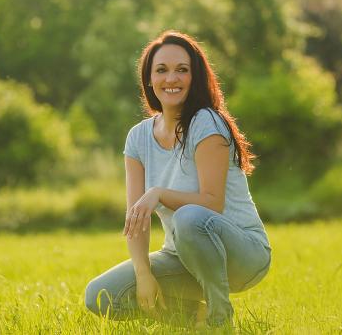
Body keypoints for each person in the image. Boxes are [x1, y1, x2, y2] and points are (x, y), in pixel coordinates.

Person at [84, 30, 271, 327]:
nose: (171, 78)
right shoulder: (138, 138)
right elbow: (136, 220)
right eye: (162, 70)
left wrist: (158, 193)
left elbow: (211, 203)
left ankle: (220, 319)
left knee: (188, 217)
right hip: (183, 257)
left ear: (194, 77)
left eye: (182, 70)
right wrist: (144, 275)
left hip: (243, 254)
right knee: (101, 295)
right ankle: (201, 321)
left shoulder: (206, 122)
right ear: (149, 79)